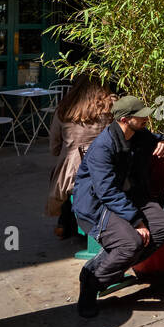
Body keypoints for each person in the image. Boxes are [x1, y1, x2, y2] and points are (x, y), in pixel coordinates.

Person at [72, 96, 164, 318]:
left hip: (130, 197)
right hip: (97, 205)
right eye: (142, 115)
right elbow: (106, 192)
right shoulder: (103, 146)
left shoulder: (139, 135)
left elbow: (159, 139)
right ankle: (91, 281)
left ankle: (113, 267)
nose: (147, 118)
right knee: (131, 243)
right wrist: (136, 221)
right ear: (125, 119)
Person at [46, 78, 116, 239]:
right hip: (104, 167)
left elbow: (54, 147)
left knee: (58, 176)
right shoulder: (111, 105)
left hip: (71, 170)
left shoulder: (64, 108)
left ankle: (63, 223)